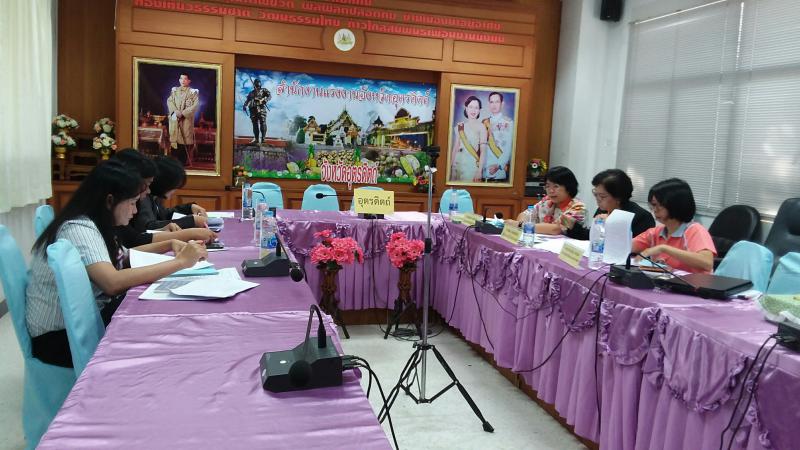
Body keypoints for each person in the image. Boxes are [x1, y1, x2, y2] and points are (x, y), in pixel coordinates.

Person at [26, 161, 207, 367]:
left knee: (159, 315)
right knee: (159, 325)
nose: (135, 211)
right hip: (61, 339)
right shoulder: (79, 228)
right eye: (132, 203)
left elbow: (125, 256)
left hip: (82, 322)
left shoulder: (97, 223)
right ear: (110, 200)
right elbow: (112, 283)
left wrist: (169, 243)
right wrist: (181, 262)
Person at [112, 149, 216, 247]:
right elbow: (142, 233)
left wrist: (189, 208)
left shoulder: (151, 197)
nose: (148, 190)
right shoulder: (141, 199)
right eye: (146, 184)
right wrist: (189, 228)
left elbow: (161, 214)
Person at [632, 178, 716, 273]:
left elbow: (707, 263)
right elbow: (626, 246)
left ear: (675, 205)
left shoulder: (695, 230)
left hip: (692, 282)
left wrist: (663, 248)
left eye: (659, 205)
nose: (655, 210)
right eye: (653, 205)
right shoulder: (655, 232)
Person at [568, 169, 655, 240]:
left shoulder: (641, 217)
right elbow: (592, 237)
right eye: (595, 194)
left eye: (602, 196)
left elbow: (633, 248)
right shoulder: (603, 209)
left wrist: (611, 224)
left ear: (619, 197)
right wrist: (573, 226)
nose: (597, 199)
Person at [132, 156, 208, 231]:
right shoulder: (143, 197)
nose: (174, 191)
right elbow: (148, 226)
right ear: (164, 184)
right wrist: (190, 221)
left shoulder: (155, 197)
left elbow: (164, 214)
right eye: (174, 187)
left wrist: (189, 207)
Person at [507, 166, 586, 235]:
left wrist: (521, 225)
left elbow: (556, 229)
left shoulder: (578, 207)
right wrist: (519, 224)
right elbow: (525, 214)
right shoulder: (546, 201)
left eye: (556, 186)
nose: (551, 191)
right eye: (548, 186)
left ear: (569, 187)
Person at [450, 96, 488, 183]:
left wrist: (479, 171)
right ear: (466, 108)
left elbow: (483, 151)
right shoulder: (460, 126)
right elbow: (456, 147)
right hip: (457, 164)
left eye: (476, 108)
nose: (473, 110)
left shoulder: (482, 127)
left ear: (479, 110)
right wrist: (451, 166)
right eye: (471, 107)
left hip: (471, 166)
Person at [167, 72, 199, 166]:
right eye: (181, 78)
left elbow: (195, 106)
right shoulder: (174, 91)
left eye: (185, 79)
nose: (183, 81)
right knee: (174, 136)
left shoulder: (193, 92)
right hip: (174, 115)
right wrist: (175, 112)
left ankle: (182, 163)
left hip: (186, 118)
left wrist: (183, 113)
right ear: (179, 80)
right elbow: (169, 101)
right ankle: (173, 162)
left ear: (189, 81)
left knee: (183, 138)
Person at [482, 92, 513, 182]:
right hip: (484, 170)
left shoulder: (508, 123)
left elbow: (509, 147)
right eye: (491, 102)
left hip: (499, 170)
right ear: (489, 104)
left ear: (502, 104)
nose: (494, 105)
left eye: (497, 102)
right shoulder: (484, 122)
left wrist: (499, 165)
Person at [243, 78, 270, 144]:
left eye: (258, 83)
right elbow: (247, 100)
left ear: (260, 84)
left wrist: (265, 100)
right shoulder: (251, 93)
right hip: (252, 109)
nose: (256, 85)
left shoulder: (263, 90)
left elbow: (269, 95)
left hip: (261, 108)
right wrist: (244, 105)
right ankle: (256, 139)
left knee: (262, 122)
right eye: (255, 83)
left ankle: (263, 139)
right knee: (254, 124)